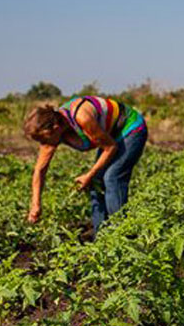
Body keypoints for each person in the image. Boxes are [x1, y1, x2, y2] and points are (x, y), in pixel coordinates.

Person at [23, 95, 148, 232]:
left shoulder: (82, 117)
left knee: (112, 177)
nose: (43, 144)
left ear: (56, 127)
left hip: (130, 128)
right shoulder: (51, 137)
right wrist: (35, 205)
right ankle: (100, 239)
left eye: (42, 139)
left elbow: (110, 147)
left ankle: (123, 234)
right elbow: (40, 171)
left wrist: (89, 174)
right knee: (95, 183)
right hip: (110, 136)